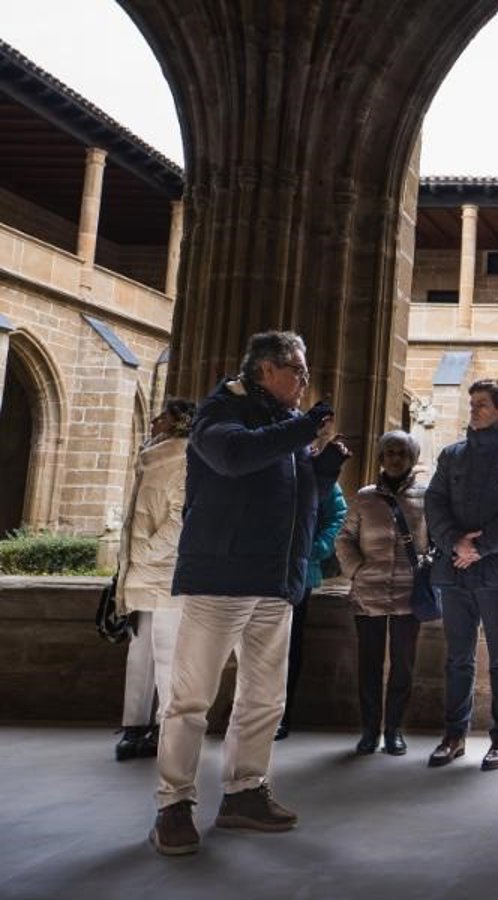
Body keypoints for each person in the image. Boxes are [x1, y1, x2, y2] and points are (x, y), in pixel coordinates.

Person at [149, 331, 348, 856]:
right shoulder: (222, 411)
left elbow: (294, 500)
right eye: (298, 372)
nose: (305, 381)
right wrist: (304, 431)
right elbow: (234, 457)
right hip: (222, 579)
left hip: (274, 582)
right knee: (191, 699)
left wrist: (321, 472)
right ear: (266, 370)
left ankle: (244, 793)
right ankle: (173, 804)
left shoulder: (285, 426)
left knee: (264, 698)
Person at [424, 378, 498, 771]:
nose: (473, 409)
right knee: (457, 658)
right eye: (471, 403)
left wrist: (479, 547)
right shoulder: (452, 454)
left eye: (481, 405)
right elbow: (434, 502)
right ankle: (454, 735)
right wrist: (455, 542)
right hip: (454, 569)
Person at [336, 430, 428, 757]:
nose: (395, 458)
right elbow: (344, 538)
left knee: (403, 665)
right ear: (380, 457)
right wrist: (357, 571)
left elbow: (434, 543)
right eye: (389, 451)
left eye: (402, 452)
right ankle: (369, 730)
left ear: (412, 458)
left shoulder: (425, 497)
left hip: (408, 594)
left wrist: (426, 569)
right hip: (368, 593)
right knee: (369, 665)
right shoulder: (364, 497)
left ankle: (394, 730)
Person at [113, 398, 196, 762]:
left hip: (165, 570)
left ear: (178, 423)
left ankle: (166, 728)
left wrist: (147, 554)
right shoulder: (151, 456)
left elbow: (180, 519)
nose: (154, 420)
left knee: (167, 652)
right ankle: (134, 725)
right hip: (143, 571)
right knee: (140, 648)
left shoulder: (183, 459)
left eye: (162, 415)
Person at [275, 477, 348, 741]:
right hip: (259, 569)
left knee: (290, 646)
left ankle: (282, 715)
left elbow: (337, 515)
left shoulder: (317, 471)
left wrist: (314, 548)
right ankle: (250, 713)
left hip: (299, 572)